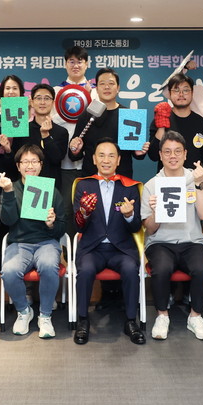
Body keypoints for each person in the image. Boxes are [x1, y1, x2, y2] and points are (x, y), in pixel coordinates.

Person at [72, 139, 145, 345]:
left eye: (111, 156)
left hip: (120, 249)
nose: (106, 160)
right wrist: (84, 213)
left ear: (119, 160)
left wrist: (129, 215)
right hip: (92, 248)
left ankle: (131, 321)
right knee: (85, 271)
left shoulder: (129, 187)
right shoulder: (83, 185)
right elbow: (78, 226)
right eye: (101, 155)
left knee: (131, 269)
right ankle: (83, 320)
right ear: (94, 159)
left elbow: (136, 227)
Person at [142, 131, 203, 340]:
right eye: (167, 152)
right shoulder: (152, 185)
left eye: (177, 151)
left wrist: (199, 185)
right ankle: (162, 315)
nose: (172, 156)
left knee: (201, 269)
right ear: (160, 155)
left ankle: (195, 317)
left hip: (192, 241)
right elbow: (150, 229)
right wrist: (156, 211)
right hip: (161, 242)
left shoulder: (196, 179)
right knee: (161, 268)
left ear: (185, 154)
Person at [0, 144, 65, 339]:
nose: (30, 166)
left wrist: (52, 224)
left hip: (47, 242)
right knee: (9, 271)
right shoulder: (11, 188)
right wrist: (8, 192)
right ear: (18, 166)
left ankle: (45, 315)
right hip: (19, 243)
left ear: (41, 165)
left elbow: (62, 228)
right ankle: (23, 311)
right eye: (25, 162)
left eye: (34, 161)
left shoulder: (52, 190)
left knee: (48, 266)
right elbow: (8, 221)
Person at [69, 67, 150, 179]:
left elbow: (138, 155)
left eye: (111, 83)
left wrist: (139, 151)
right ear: (97, 89)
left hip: (121, 180)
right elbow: (73, 156)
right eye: (102, 84)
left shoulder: (129, 115)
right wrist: (75, 150)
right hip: (92, 179)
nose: (107, 87)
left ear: (118, 88)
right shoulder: (87, 115)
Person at [52, 46, 96, 237]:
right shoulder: (56, 92)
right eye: (71, 61)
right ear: (65, 64)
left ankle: (88, 247)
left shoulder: (96, 93)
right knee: (67, 209)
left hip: (91, 161)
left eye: (80, 61)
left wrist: (89, 98)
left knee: (92, 208)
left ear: (87, 64)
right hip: (65, 162)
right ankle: (68, 248)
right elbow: (51, 122)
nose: (75, 65)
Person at [149, 73, 203, 190]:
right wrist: (161, 126)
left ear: (192, 93)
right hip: (166, 185)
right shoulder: (160, 119)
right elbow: (154, 155)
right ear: (169, 94)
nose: (181, 94)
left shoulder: (202, 123)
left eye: (185, 90)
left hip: (194, 184)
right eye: (176, 90)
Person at [0, 83, 69, 187]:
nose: (42, 102)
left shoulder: (61, 132)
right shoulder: (22, 129)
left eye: (47, 98)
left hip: (50, 188)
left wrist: (46, 136)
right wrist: (8, 150)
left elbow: (56, 159)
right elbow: (14, 164)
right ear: (32, 102)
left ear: (53, 103)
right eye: (38, 98)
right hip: (25, 186)